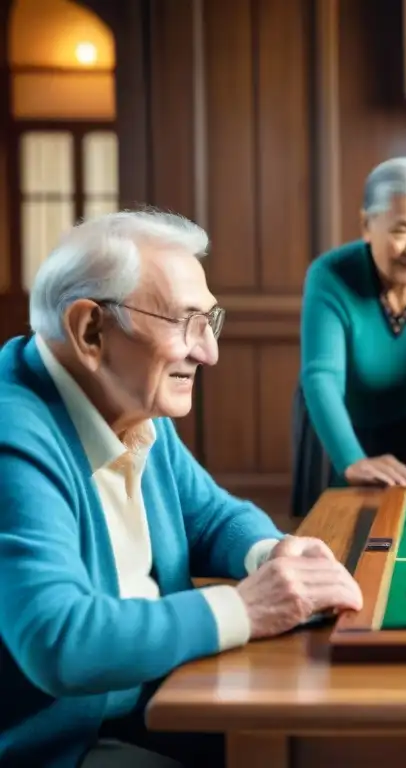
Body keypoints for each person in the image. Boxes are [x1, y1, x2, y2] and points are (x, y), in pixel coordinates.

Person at [0, 210, 363, 767]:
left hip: (155, 701)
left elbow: (211, 516)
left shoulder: (128, 401)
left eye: (209, 321)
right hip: (60, 747)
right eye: (183, 322)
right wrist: (246, 606)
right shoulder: (13, 432)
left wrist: (271, 552)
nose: (208, 351)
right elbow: (59, 639)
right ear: (90, 330)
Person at [293, 157, 406, 511]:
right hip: (334, 423)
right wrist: (351, 460)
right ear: (367, 225)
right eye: (402, 231)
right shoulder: (329, 274)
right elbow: (321, 377)